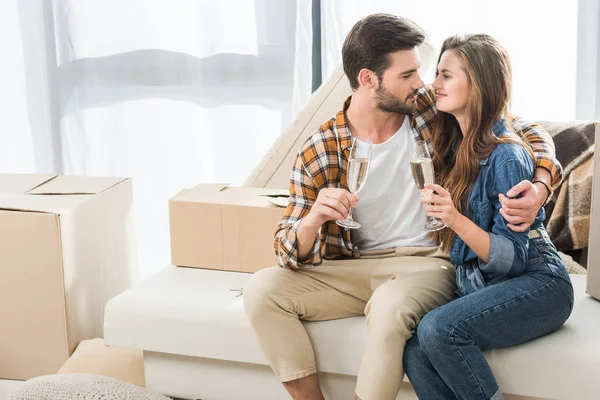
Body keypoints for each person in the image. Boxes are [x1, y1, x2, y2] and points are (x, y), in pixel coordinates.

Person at [243, 14, 563, 400]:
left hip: (426, 264)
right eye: (407, 75)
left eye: (422, 73)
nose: (421, 83)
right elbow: (287, 250)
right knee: (261, 289)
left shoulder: (428, 110)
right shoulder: (321, 148)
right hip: (354, 265)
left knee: (391, 309)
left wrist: (542, 184)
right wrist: (314, 218)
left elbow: (520, 131)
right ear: (368, 79)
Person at [403, 34, 574, 400]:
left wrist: (452, 218)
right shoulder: (459, 145)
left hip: (539, 282)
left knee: (438, 329)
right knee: (415, 352)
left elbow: (513, 260)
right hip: (489, 284)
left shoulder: (506, 157)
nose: (434, 85)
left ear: (478, 83)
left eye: (446, 75)